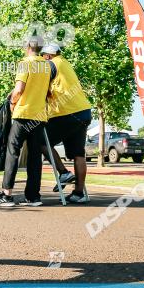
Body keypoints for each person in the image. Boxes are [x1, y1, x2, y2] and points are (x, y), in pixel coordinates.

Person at [0, 36, 52, 208]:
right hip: (39, 116)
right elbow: (46, 91)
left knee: (12, 152)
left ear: (28, 46)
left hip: (23, 114)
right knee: (34, 156)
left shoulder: (25, 63)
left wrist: (12, 102)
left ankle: (6, 195)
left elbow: (19, 89)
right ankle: (33, 197)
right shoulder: (47, 65)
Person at [41, 44, 92, 202]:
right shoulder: (65, 64)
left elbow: (38, 87)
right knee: (78, 153)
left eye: (43, 56)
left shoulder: (51, 65)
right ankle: (79, 194)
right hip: (83, 112)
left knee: (41, 142)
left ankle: (63, 173)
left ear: (48, 55)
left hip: (67, 113)